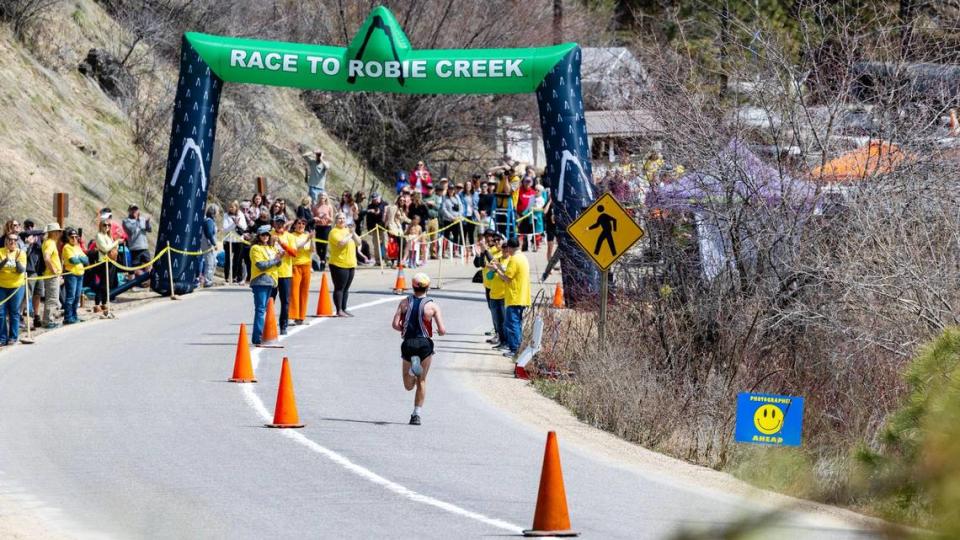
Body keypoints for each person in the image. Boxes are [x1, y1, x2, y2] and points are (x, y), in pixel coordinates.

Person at [391, 272, 446, 426]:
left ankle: (410, 372)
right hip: (425, 344)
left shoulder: (404, 303)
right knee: (422, 380)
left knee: (408, 386)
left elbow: (395, 325)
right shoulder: (432, 306)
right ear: (428, 287)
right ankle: (416, 415)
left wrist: (406, 328)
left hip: (408, 343)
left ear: (413, 286)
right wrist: (439, 332)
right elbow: (442, 330)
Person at [492, 238, 530, 357]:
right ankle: (517, 348)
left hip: (515, 297)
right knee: (516, 323)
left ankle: (515, 349)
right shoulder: (523, 257)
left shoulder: (514, 259)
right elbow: (512, 272)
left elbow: (507, 278)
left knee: (512, 324)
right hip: (522, 296)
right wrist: (501, 267)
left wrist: (497, 269)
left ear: (509, 248)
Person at [249, 225, 281, 345]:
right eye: (263, 235)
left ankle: (265, 334)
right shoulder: (255, 248)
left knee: (267, 310)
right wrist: (275, 260)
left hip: (271, 281)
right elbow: (261, 265)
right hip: (260, 280)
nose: (265, 237)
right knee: (260, 309)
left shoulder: (271, 248)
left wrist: (279, 258)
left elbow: (278, 264)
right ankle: (258, 337)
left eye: (267, 234)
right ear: (258, 236)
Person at [477, 231, 507, 349]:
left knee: (500, 314)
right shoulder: (491, 250)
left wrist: (486, 251)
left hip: (498, 288)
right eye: (493, 241)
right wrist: (481, 253)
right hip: (488, 285)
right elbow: (480, 264)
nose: (494, 243)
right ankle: (497, 333)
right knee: (493, 312)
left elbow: (493, 262)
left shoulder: (502, 253)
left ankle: (501, 336)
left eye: (496, 240)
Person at [327, 212, 360, 317]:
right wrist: (350, 234)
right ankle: (339, 310)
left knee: (346, 288)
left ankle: (344, 308)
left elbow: (359, 242)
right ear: (335, 221)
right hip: (338, 264)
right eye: (339, 218)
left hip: (350, 263)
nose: (341, 220)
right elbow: (341, 243)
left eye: (343, 218)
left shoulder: (348, 231)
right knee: (339, 287)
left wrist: (353, 233)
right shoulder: (334, 232)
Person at [271, 216, 297, 335]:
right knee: (270, 301)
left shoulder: (289, 237)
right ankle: (269, 324)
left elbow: (294, 253)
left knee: (285, 301)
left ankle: (283, 325)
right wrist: (272, 242)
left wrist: (282, 244)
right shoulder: (269, 234)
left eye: (281, 223)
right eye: (277, 223)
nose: (279, 225)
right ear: (274, 223)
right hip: (271, 272)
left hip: (285, 273)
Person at [0, 234, 26, 346]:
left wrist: (16, 261)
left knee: (14, 312)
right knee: (1, 313)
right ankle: (2, 338)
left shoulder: (21, 253)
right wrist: (4, 261)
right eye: (10, 240)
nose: (12, 242)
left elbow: (21, 270)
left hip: (16, 286)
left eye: (15, 240)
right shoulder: (0, 251)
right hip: (2, 286)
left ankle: (13, 337)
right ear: (6, 241)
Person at [289, 218, 314, 325]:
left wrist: (312, 240)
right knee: (294, 292)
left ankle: (301, 316)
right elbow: (295, 249)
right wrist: (307, 240)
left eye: (303, 223)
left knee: (304, 292)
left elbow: (312, 250)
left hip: (306, 265)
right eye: (299, 223)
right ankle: (292, 316)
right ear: (294, 225)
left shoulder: (306, 235)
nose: (301, 225)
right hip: (295, 265)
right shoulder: (291, 236)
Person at [61, 227, 88, 325]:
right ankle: (68, 317)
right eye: (72, 237)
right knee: (70, 297)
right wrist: (80, 258)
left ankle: (74, 315)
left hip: (80, 274)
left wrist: (79, 258)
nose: (74, 239)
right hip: (71, 274)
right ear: (68, 237)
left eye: (76, 237)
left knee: (77, 297)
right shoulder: (66, 247)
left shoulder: (77, 247)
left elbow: (86, 260)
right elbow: (73, 261)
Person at [93, 219, 120, 317]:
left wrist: (115, 244)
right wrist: (116, 242)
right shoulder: (99, 235)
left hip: (111, 261)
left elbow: (114, 248)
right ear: (101, 226)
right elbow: (105, 248)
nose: (107, 227)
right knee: (103, 283)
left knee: (109, 283)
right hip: (103, 262)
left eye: (109, 225)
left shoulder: (109, 236)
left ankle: (104, 303)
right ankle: (97, 303)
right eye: (105, 225)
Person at [40, 223, 63, 329]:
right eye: (58, 231)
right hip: (51, 275)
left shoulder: (48, 242)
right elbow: (47, 258)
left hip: (52, 275)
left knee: (52, 298)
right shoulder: (50, 243)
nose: (60, 233)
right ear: (53, 232)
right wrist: (54, 270)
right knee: (52, 299)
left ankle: (48, 319)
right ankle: (48, 321)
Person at [122, 204, 152, 278]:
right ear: (129, 211)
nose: (134, 211)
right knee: (135, 269)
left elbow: (149, 230)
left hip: (144, 247)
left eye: (136, 209)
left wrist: (147, 222)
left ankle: (148, 283)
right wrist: (138, 220)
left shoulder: (142, 219)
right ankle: (131, 285)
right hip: (135, 249)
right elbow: (132, 229)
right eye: (132, 209)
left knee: (149, 267)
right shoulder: (126, 221)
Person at [222, 201, 248, 284]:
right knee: (228, 259)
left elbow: (244, 227)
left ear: (236, 207)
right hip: (228, 240)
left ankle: (235, 277)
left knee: (237, 259)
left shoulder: (241, 214)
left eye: (232, 207)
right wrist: (234, 224)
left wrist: (238, 223)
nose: (230, 208)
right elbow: (225, 228)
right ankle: (226, 277)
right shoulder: (226, 215)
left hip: (238, 240)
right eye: (229, 207)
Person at [312, 192, 335, 271]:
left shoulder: (329, 207)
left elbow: (332, 220)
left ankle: (323, 261)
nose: (322, 197)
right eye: (321, 196)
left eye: (324, 196)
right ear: (318, 197)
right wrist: (317, 219)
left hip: (326, 227)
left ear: (326, 198)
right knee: (318, 245)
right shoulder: (315, 207)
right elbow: (313, 217)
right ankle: (319, 260)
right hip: (319, 227)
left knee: (324, 245)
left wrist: (327, 217)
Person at [440, 181, 462, 258]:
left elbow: (461, 207)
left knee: (456, 236)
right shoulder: (445, 198)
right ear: (448, 189)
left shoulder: (457, 197)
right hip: (448, 220)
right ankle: (444, 251)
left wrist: (459, 216)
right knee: (446, 236)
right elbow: (444, 209)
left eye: (452, 189)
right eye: (450, 189)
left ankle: (455, 251)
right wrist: (451, 217)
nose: (451, 190)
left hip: (456, 220)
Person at [516, 176, 538, 251]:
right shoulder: (519, 190)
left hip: (529, 215)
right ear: (523, 182)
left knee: (528, 232)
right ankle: (521, 247)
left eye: (529, 182)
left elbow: (533, 204)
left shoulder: (533, 192)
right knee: (521, 231)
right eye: (526, 181)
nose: (527, 183)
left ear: (531, 183)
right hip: (519, 215)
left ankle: (527, 247)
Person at [365, 192, 387, 265]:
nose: (375, 201)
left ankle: (387, 259)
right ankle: (378, 261)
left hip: (384, 227)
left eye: (376, 199)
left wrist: (378, 212)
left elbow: (385, 213)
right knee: (376, 244)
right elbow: (368, 218)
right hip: (374, 227)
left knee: (385, 243)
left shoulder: (385, 204)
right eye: (374, 199)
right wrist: (369, 228)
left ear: (379, 197)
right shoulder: (370, 206)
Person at [199, 205, 218, 287]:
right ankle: (208, 281)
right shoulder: (209, 221)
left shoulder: (208, 220)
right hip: (208, 244)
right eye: (217, 211)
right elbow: (209, 233)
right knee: (210, 263)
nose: (218, 213)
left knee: (211, 262)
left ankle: (207, 279)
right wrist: (214, 243)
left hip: (206, 243)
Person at [422, 184, 441, 258]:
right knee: (425, 238)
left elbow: (439, 207)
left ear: (433, 189)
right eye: (428, 188)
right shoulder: (423, 197)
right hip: (427, 220)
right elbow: (422, 207)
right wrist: (427, 204)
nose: (429, 190)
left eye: (430, 188)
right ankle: (423, 254)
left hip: (434, 219)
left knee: (434, 237)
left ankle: (433, 254)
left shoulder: (436, 197)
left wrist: (433, 204)